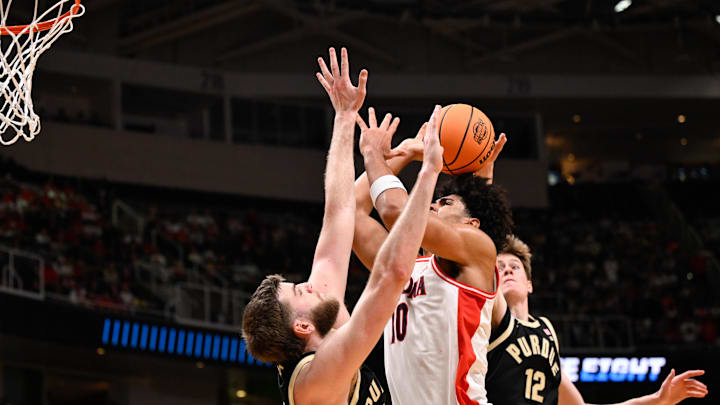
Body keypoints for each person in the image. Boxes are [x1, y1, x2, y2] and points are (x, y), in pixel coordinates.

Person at [242, 46, 447, 405]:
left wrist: (345, 117)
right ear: (301, 326)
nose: (310, 284)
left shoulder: (316, 323)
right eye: (301, 291)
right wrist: (427, 173)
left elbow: (339, 214)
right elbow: (393, 272)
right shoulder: (316, 381)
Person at [352, 111, 513, 404]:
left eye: (446, 202)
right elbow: (349, 213)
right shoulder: (399, 266)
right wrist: (405, 153)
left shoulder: (479, 248)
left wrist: (374, 155)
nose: (432, 205)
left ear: (472, 223)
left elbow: (395, 212)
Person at [488, 234, 709, 405]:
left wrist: (657, 399)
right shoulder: (491, 319)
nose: (507, 270)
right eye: (499, 268)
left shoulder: (546, 331)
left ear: (529, 284)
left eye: (514, 266)